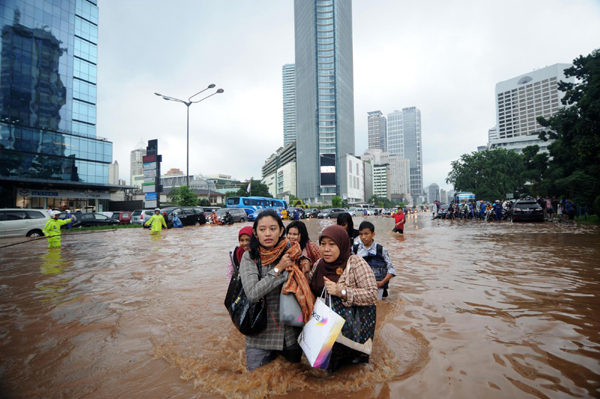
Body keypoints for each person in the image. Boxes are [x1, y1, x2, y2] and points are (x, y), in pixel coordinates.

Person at [308, 225, 378, 372]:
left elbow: (372, 294)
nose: (326, 249)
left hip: (350, 335)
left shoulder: (355, 263)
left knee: (353, 380)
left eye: (332, 244)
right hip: (324, 334)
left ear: (342, 244)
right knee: (324, 379)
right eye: (323, 244)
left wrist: (342, 292)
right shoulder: (318, 264)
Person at [240, 209, 303, 371]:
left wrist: (306, 261)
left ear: (281, 231)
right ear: (255, 233)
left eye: (273, 229)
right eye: (262, 229)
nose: (268, 234)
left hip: (290, 334)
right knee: (257, 385)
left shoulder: (291, 251)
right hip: (260, 336)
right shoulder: (250, 257)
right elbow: (253, 293)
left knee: (293, 383)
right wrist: (279, 269)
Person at [352, 221, 396, 299]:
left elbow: (391, 269)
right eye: (361, 234)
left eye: (366, 234)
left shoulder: (381, 250)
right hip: (360, 289)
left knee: (379, 308)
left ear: (373, 234)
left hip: (378, 289)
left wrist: (382, 282)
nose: (363, 237)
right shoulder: (355, 250)